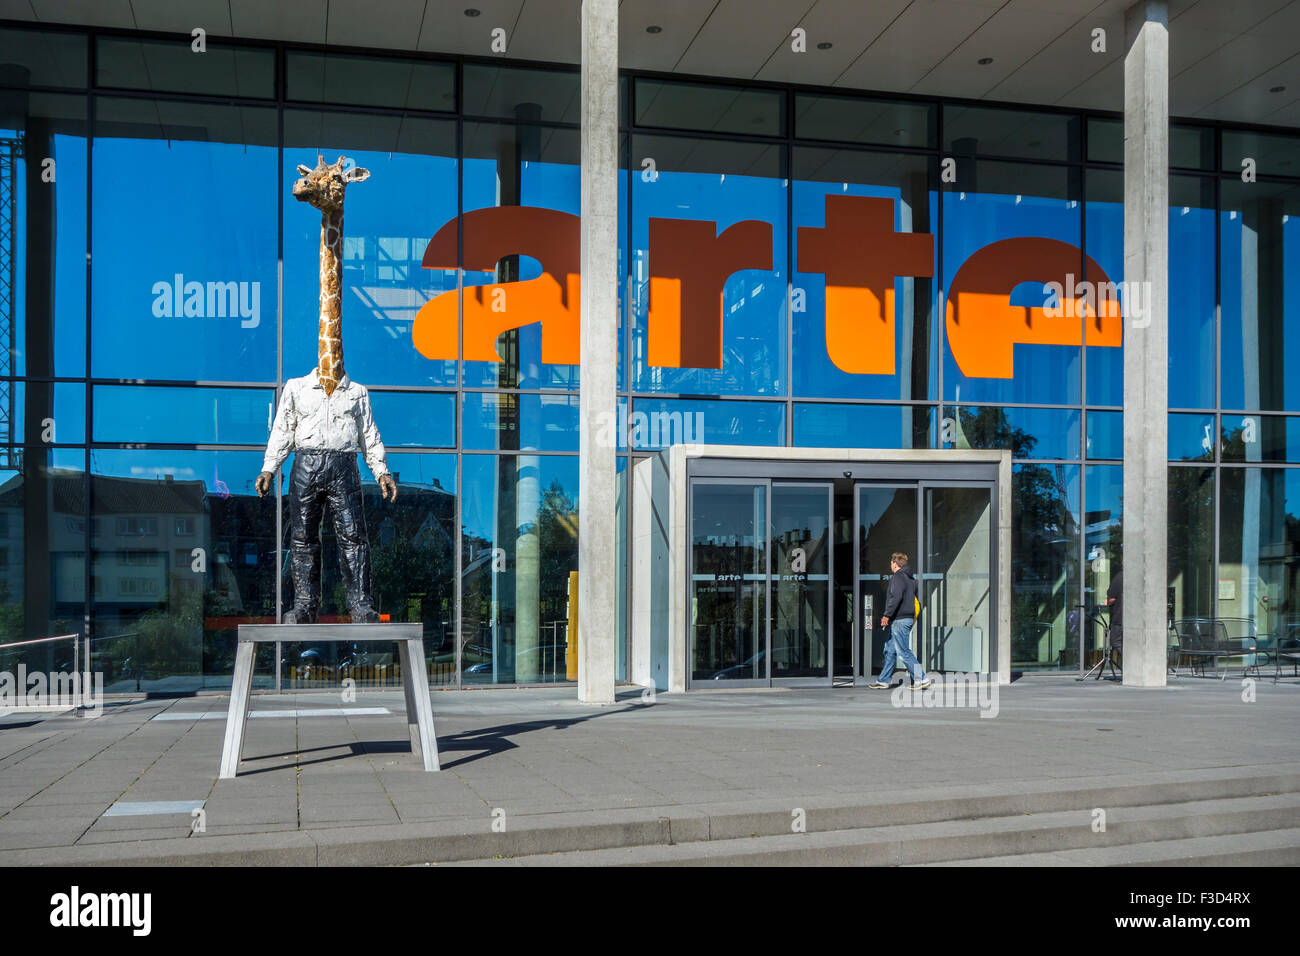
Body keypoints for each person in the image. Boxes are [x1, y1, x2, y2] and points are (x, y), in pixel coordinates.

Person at [255, 369, 397, 624]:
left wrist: (381, 471)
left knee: (354, 536)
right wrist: (269, 467)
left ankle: (361, 606)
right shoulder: (297, 387)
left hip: (344, 466)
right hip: (305, 464)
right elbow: (283, 430)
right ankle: (304, 606)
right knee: (303, 538)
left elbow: (368, 434)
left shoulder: (357, 392)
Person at [869, 552, 932, 690]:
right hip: (906, 619)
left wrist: (886, 615)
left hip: (900, 620)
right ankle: (883, 680)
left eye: (891, 563)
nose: (890, 565)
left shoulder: (898, 577)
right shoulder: (910, 579)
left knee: (903, 651)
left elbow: (895, 598)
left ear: (895, 564)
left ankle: (921, 678)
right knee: (890, 650)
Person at [1105, 569, 1123, 656]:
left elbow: (1111, 598)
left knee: (1115, 641)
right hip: (1136, 618)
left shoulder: (1120, 577)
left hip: (1120, 616)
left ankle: (1132, 661)